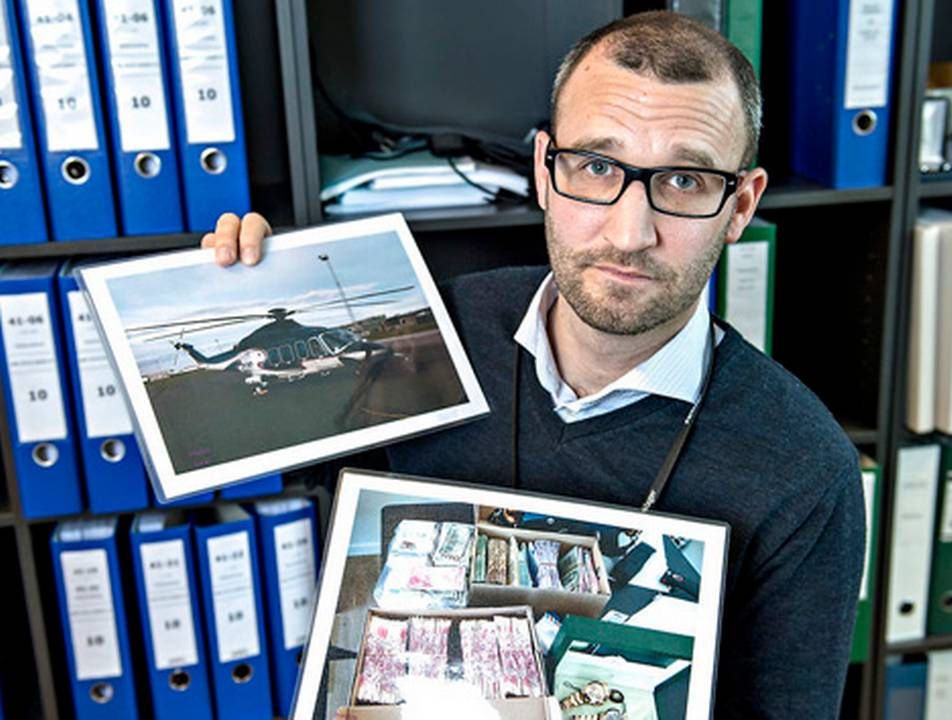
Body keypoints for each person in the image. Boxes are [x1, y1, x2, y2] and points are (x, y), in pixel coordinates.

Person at [205, 11, 865, 718]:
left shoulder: (803, 470)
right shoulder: (429, 335)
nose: (629, 233)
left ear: (740, 205)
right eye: (597, 166)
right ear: (545, 171)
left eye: (683, 180)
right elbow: (247, 450)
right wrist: (249, 287)